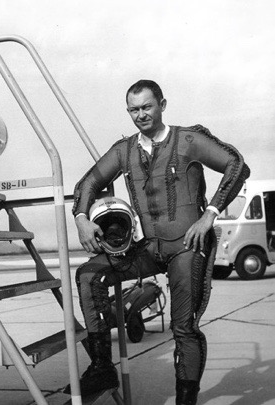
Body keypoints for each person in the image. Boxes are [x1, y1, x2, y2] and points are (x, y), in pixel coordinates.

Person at [68, 80, 250, 404]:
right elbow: (88, 183)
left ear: (162, 105)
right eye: (133, 110)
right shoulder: (123, 151)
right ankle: (101, 365)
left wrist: (210, 214)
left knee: (184, 329)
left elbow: (236, 165)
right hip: (149, 248)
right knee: (87, 275)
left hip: (187, 248)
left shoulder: (188, 140)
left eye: (147, 107)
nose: (141, 115)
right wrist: (81, 219)